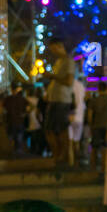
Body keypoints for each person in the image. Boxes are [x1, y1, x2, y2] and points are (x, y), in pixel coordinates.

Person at [43, 40, 75, 171]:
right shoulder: (58, 62)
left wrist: (52, 76)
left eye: (54, 49)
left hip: (62, 100)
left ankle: (62, 156)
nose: (53, 52)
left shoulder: (69, 62)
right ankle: (58, 155)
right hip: (54, 100)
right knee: (50, 129)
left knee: (60, 129)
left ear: (60, 46)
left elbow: (68, 81)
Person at [3, 82, 27, 154]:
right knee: (19, 137)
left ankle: (12, 150)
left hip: (10, 120)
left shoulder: (8, 99)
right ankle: (18, 150)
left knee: (11, 137)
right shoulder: (22, 99)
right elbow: (30, 107)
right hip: (19, 120)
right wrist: (24, 114)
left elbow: (3, 110)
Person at [24, 84, 44, 155]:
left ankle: (31, 150)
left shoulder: (26, 99)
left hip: (30, 120)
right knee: (37, 137)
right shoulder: (38, 100)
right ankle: (37, 150)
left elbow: (26, 110)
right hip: (37, 120)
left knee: (31, 136)